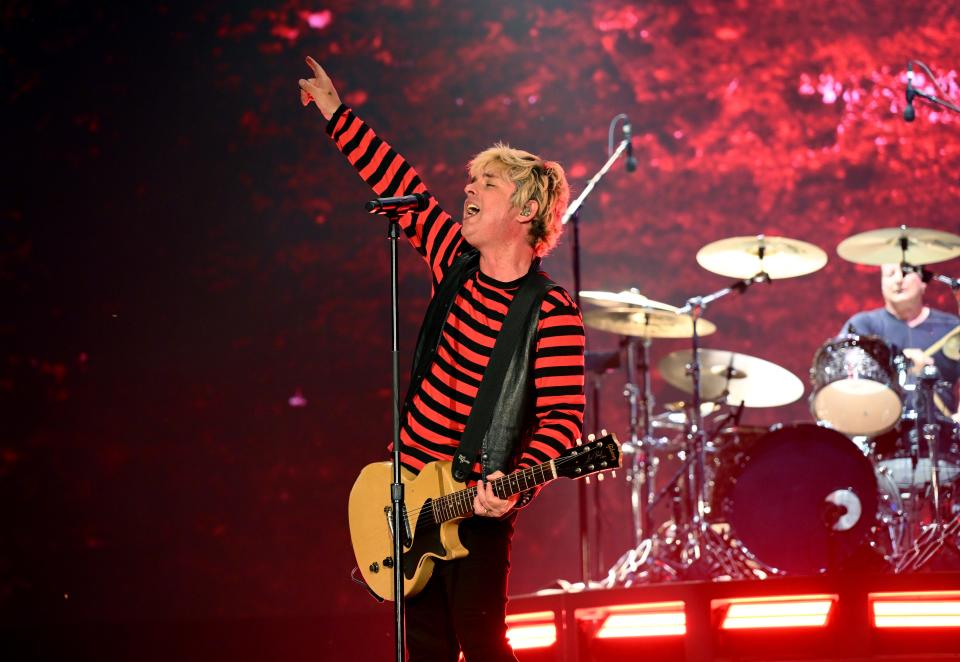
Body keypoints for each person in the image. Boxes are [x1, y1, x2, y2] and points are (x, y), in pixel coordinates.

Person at [299, 56, 585, 661]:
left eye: (488, 185)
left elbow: (563, 420)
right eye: (472, 182)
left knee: (482, 646)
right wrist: (334, 112)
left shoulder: (551, 313)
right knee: (423, 649)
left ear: (525, 212)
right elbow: (398, 185)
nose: (470, 190)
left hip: (475, 504)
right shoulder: (453, 261)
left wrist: (515, 484)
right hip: (405, 493)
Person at [839, 263, 960, 423]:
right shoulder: (862, 326)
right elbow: (843, 376)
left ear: (924, 281)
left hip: (943, 432)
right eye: (890, 274)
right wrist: (900, 361)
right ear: (882, 284)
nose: (898, 280)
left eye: (905, 272)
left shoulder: (951, 327)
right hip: (881, 431)